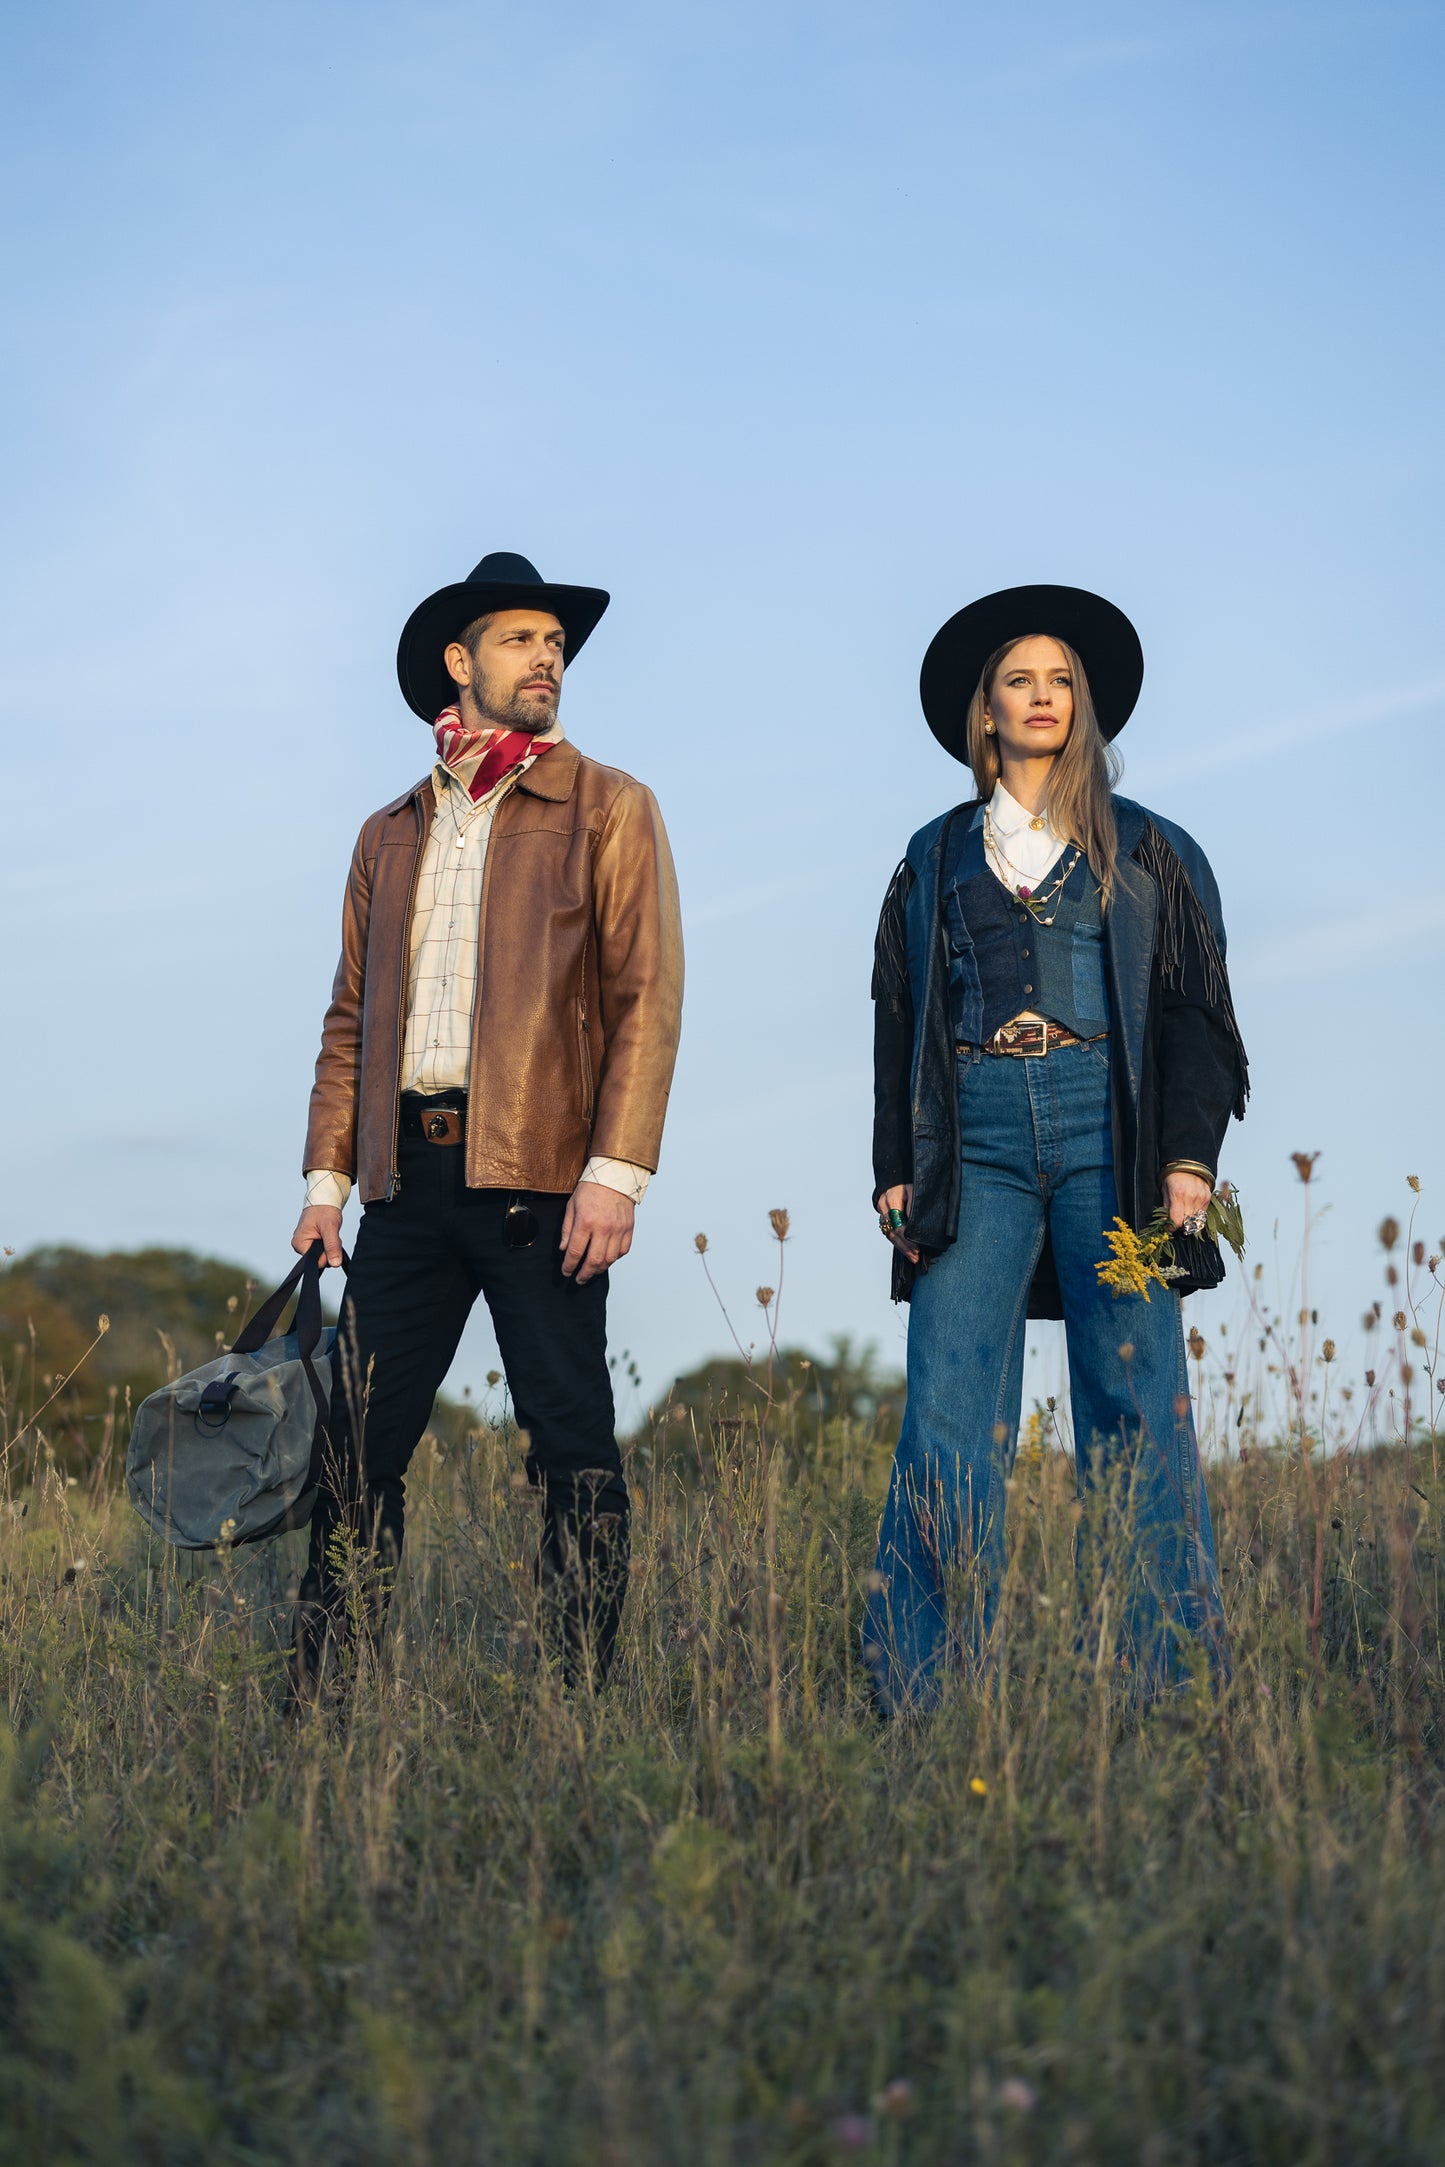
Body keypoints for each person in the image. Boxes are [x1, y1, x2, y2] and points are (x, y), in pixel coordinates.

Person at [290, 551, 683, 1693]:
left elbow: (644, 998)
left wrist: (615, 1172)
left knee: (572, 1449)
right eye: (521, 640)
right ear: (460, 663)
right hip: (402, 1186)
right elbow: (351, 1016)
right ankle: (327, 1707)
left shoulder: (610, 804)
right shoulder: (389, 831)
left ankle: (579, 1702)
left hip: (544, 1181)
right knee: (353, 1449)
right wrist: (325, 1185)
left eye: (555, 644)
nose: (546, 658)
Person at [865, 585, 1247, 1712]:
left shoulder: (1149, 848)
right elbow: (899, 1017)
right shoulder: (933, 854)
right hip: (973, 1131)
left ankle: (1162, 1687)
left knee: (1134, 1398)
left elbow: (1195, 1015)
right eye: (1018, 680)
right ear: (983, 709)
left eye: (1060, 680)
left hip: (1108, 1126)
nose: (1042, 697)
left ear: (1082, 705)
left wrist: (1186, 1159)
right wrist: (895, 1167)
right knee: (945, 1408)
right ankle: (922, 1695)